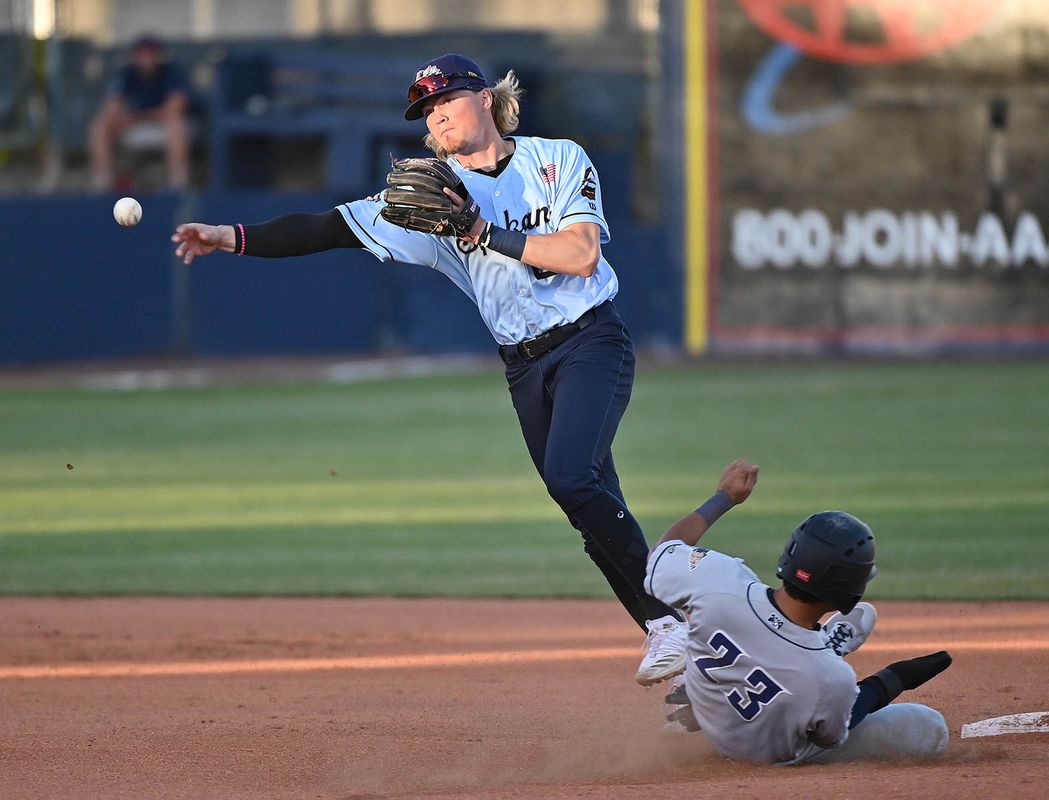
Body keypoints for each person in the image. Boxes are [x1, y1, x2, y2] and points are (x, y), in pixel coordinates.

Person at [171, 53, 688, 685]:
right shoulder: (431, 196)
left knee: (572, 478)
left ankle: (668, 624)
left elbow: (580, 255)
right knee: (586, 504)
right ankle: (697, 627)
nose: (437, 117)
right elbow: (327, 227)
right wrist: (228, 235)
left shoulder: (557, 159)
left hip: (591, 342)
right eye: (427, 112)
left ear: (487, 100)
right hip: (524, 367)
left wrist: (478, 229)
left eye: (447, 100)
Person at [644, 458, 953, 765]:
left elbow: (664, 550)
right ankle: (824, 648)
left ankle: (815, 649)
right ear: (847, 594)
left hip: (712, 713)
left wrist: (723, 497)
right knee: (927, 727)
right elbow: (830, 735)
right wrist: (889, 681)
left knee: (805, 674)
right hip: (776, 755)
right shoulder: (832, 680)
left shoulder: (720, 579)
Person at [89, 35, 190, 191]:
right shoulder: (127, 73)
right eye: (142, 54)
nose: (146, 58)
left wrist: (139, 117)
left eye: (150, 54)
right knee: (100, 125)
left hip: (161, 125)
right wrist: (123, 117)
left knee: (176, 124)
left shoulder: (171, 72)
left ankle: (177, 183)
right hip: (134, 124)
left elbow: (175, 107)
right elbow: (112, 105)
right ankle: (103, 182)